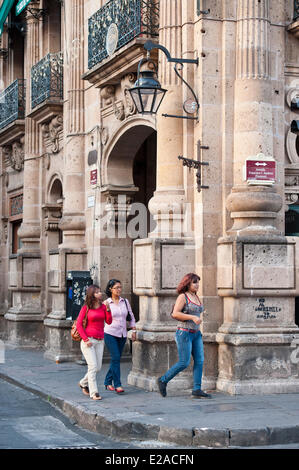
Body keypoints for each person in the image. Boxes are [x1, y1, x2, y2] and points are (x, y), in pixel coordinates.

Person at [157, 273, 212, 399]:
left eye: (198, 282)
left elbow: (197, 312)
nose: (197, 285)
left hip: (196, 334)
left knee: (200, 361)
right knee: (184, 362)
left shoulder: (196, 297)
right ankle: (163, 380)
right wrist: (192, 317)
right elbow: (175, 314)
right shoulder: (183, 297)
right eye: (194, 282)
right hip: (184, 333)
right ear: (187, 283)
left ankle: (197, 389)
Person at [76, 284, 112, 400]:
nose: (100, 294)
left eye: (100, 291)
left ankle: (83, 382)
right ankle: (94, 392)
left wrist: (108, 309)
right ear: (92, 295)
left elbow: (109, 321)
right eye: (97, 292)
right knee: (92, 366)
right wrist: (85, 339)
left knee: (98, 367)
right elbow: (79, 324)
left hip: (100, 340)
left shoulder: (103, 307)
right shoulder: (86, 307)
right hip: (89, 340)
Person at [103, 279, 137, 393]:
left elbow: (131, 316)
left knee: (115, 359)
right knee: (116, 357)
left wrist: (134, 330)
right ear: (110, 289)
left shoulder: (125, 302)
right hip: (110, 333)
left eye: (120, 287)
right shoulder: (106, 303)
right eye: (116, 287)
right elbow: (102, 318)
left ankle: (107, 381)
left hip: (122, 334)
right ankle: (117, 384)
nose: (119, 290)